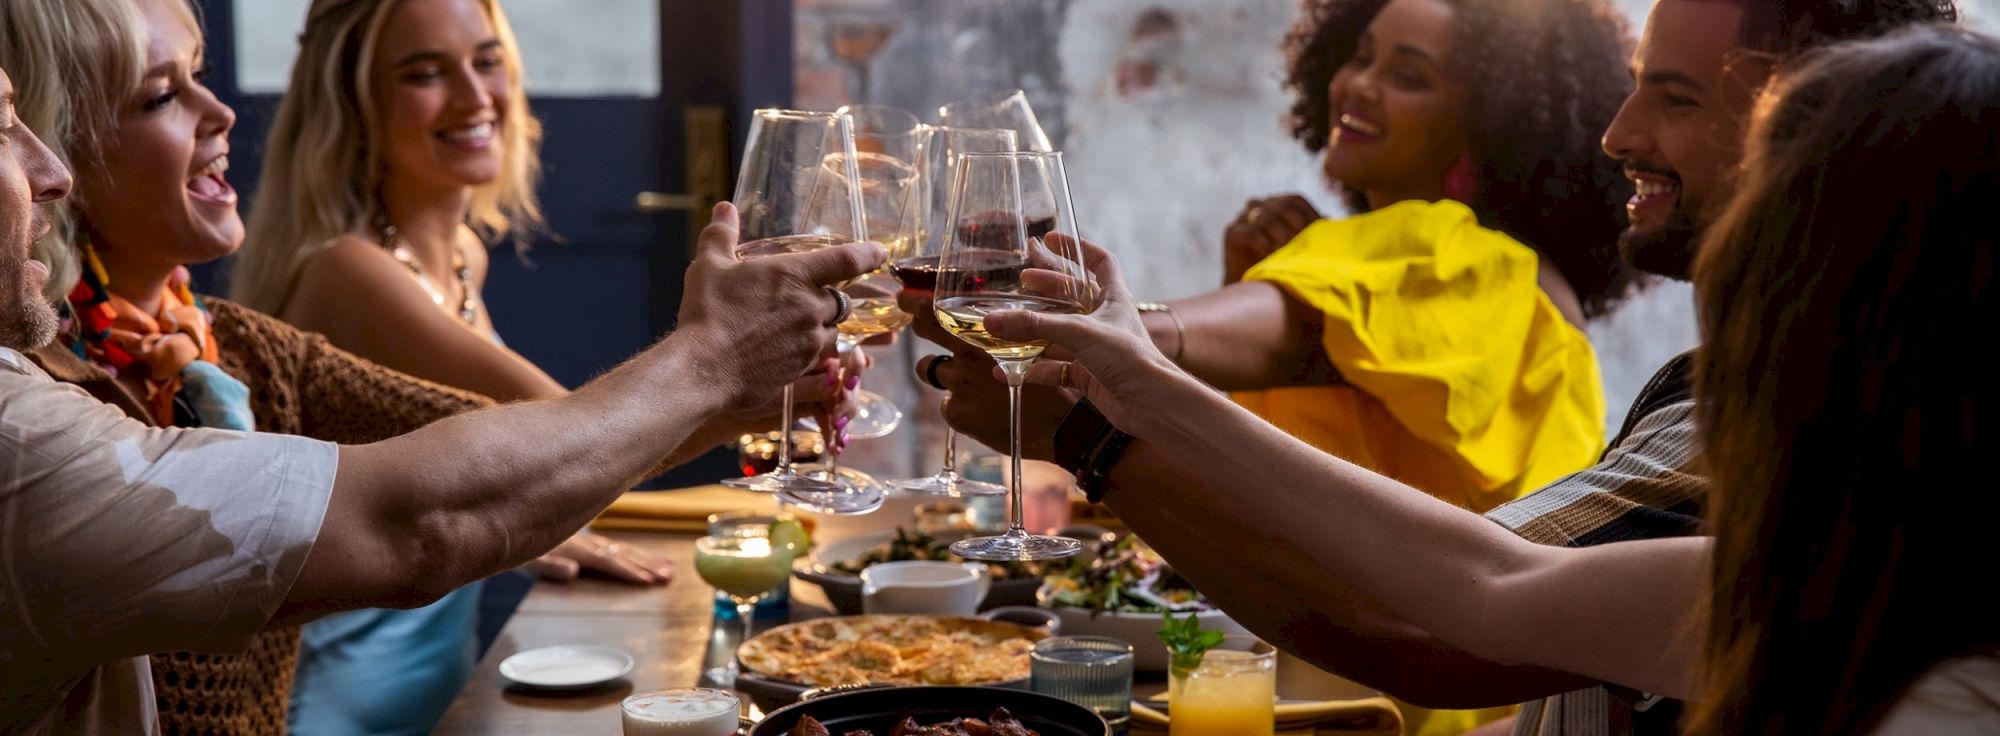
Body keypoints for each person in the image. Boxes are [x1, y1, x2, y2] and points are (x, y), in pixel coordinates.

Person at [909, 0, 1956, 732]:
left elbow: (1463, 603)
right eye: (1356, 56)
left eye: (1672, 97)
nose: (1617, 133)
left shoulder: (1466, 259)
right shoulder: (1701, 389)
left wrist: (1114, 373)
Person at [0, 53, 884, 734]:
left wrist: (725, 398)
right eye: (6, 125)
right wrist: (711, 368)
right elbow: (423, 519)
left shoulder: (227, 337)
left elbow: (497, 450)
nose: (50, 170)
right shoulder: (25, 431)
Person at [225, 0, 857, 729]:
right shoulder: (350, 274)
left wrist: (758, 400)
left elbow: (557, 449)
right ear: (354, 106)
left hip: (437, 677)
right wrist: (734, 383)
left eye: (487, 61)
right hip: (342, 698)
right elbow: (580, 437)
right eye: (424, 73)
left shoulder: (460, 256)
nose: (474, 96)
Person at [1124, 0, 1639, 520]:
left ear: (1487, 122)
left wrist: (1101, 325)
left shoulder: (1466, 260)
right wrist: (1254, 284)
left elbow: (1276, 337)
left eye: (1409, 76)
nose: (1359, 85)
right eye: (1360, 56)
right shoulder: (1513, 276)